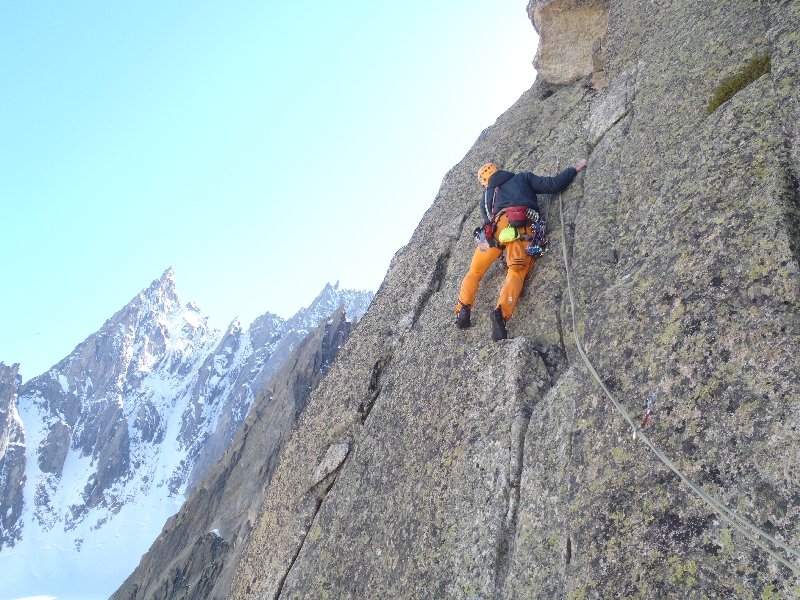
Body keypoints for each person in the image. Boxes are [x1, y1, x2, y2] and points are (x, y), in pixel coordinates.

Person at [455, 159, 587, 341]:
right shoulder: (522, 178)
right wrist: (575, 167)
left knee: (475, 271)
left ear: (484, 181)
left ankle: (463, 307)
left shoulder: (485, 198)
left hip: (496, 231)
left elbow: (488, 222)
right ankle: (500, 313)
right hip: (520, 226)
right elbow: (553, 185)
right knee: (516, 273)